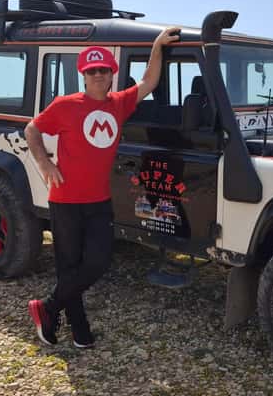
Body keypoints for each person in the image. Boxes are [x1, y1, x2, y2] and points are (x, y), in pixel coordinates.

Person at [25, 26, 181, 348]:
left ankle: (47, 307)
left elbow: (149, 82)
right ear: (84, 74)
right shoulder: (65, 104)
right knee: (69, 268)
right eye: (92, 70)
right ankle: (79, 330)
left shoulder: (118, 104)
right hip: (65, 200)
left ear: (112, 74)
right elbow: (32, 129)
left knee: (97, 262)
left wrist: (156, 46)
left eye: (104, 70)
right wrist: (44, 162)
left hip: (98, 201)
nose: (98, 75)